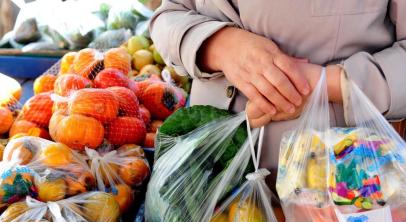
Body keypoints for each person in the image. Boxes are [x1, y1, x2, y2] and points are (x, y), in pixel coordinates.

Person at [150, 0, 406, 176]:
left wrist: (326, 85)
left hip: (334, 182)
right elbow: (169, 14)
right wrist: (220, 46)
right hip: (208, 165)